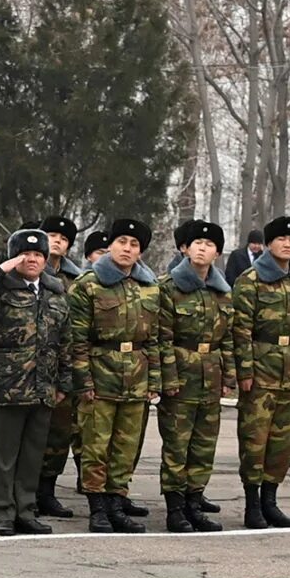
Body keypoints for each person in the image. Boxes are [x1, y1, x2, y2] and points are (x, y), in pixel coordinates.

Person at [0, 227, 67, 535]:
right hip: (8, 386)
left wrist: (63, 383)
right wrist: (1, 269)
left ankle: (26, 510)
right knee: (4, 456)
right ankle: (5, 514)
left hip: (42, 387)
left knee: (33, 456)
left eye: (39, 254)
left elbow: (66, 340)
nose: (33, 259)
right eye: (26, 254)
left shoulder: (55, 292)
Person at [66, 217, 165, 533]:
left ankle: (116, 505)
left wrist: (154, 380)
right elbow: (76, 339)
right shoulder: (88, 285)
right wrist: (84, 381)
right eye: (122, 242)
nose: (127, 248)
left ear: (140, 252)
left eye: (134, 245)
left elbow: (155, 339)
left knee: (125, 448)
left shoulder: (149, 288)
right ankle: (97, 510)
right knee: (97, 445)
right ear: (110, 246)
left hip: (136, 377)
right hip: (101, 374)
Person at [232, 216, 290, 526]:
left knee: (282, 441)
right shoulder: (250, 280)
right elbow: (241, 331)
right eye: (281, 239)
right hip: (261, 366)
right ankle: (252, 504)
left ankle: (270, 500)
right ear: (269, 244)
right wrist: (245, 372)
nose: (288, 244)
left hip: (289, 369)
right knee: (255, 438)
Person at [158, 219, 234, 533]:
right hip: (182, 375)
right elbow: (162, 338)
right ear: (186, 249)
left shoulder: (221, 291)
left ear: (217, 253)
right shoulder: (169, 287)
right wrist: (169, 378)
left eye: (209, 245)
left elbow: (227, 338)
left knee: (204, 445)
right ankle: (175, 510)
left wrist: (229, 376)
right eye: (196, 244)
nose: (202, 249)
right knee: (177, 444)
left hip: (211, 377)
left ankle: (194, 502)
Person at [33, 216, 83, 519]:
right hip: (31, 364)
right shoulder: (26, 270)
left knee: (59, 433)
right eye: (52, 236)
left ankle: (47, 491)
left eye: (63, 239)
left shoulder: (76, 281)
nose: (57, 242)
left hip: (63, 362)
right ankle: (23, 493)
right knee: (31, 432)